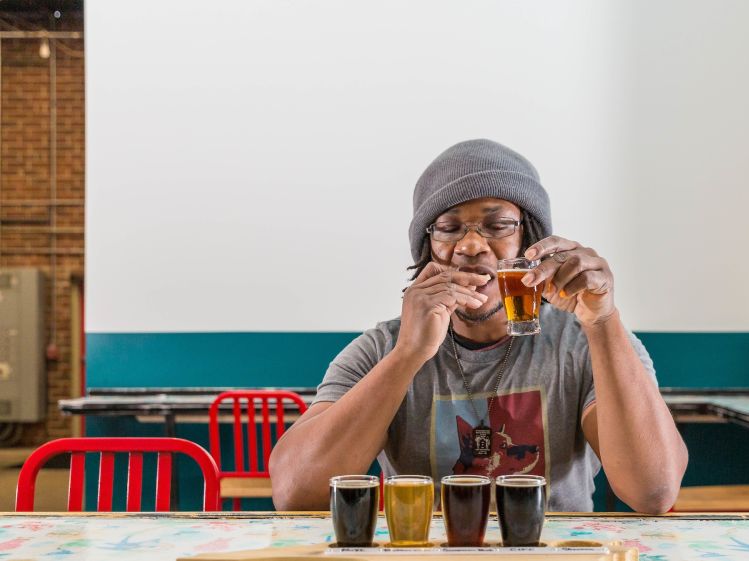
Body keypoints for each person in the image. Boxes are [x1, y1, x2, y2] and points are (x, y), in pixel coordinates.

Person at [270, 139, 687, 513]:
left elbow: (653, 491)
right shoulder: (382, 348)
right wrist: (409, 355)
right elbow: (295, 492)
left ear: (531, 242)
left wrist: (603, 322)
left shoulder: (586, 341)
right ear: (428, 250)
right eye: (449, 228)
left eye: (497, 225)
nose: (470, 246)